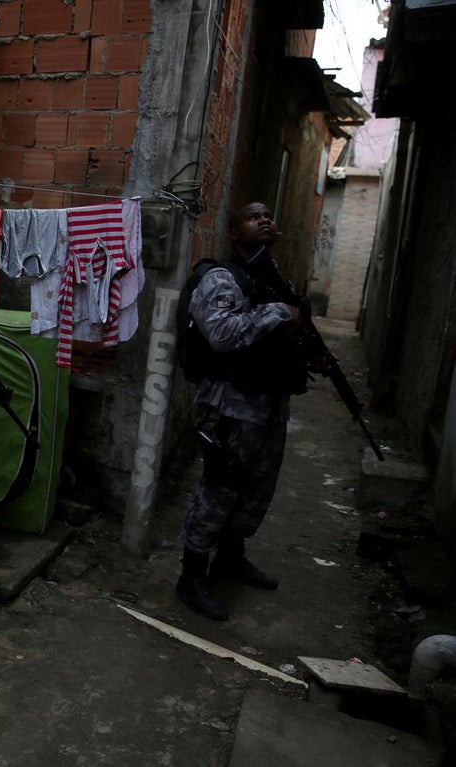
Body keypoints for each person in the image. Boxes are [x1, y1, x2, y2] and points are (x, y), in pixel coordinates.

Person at [176, 201, 308, 622]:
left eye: (269, 214)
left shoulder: (271, 279)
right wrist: (278, 313)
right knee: (219, 490)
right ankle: (191, 576)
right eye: (253, 216)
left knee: (256, 489)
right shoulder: (220, 278)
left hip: (270, 404)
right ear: (234, 233)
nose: (265, 218)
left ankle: (230, 558)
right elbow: (221, 333)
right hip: (230, 405)